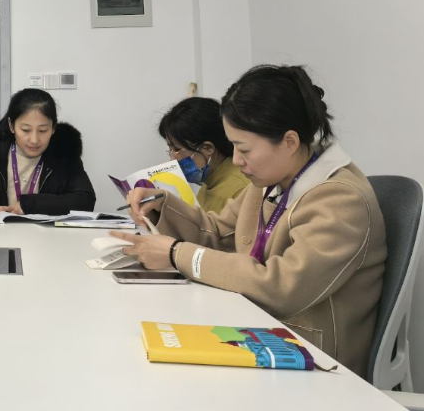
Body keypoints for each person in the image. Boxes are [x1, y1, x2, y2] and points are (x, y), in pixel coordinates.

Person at [113, 65, 386, 377]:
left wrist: (176, 254)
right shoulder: (270, 181)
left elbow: (282, 287)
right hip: (263, 331)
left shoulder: (341, 199)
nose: (236, 160)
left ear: (289, 141)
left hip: (312, 355)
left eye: (243, 149)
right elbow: (216, 232)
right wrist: (162, 205)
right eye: (233, 146)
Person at [0, 88, 96, 216]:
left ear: (53, 128)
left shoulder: (64, 153)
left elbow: (86, 201)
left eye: (43, 130)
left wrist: (29, 205)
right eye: (26, 130)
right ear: (11, 125)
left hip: (47, 239)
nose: (34, 140)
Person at [158, 97, 250, 213]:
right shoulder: (207, 185)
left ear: (207, 148)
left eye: (177, 149)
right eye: (170, 149)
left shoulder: (242, 188)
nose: (172, 160)